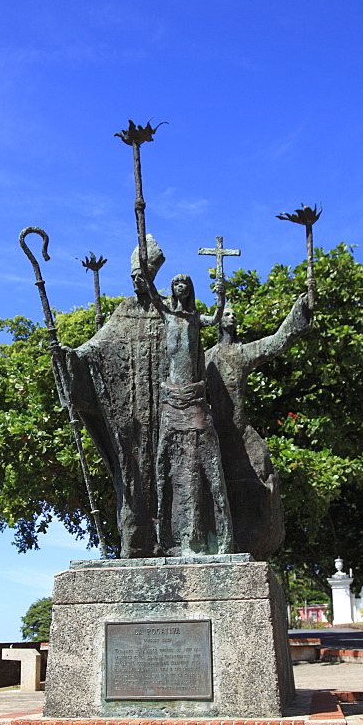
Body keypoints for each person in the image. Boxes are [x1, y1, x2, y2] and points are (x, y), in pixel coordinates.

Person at [55, 235, 168, 558]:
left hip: (166, 413)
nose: (136, 282)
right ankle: (136, 542)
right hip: (129, 420)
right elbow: (96, 348)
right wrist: (70, 357)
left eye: (141, 276)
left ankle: (172, 540)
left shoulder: (169, 312)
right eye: (132, 277)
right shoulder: (124, 311)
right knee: (131, 480)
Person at [205, 295, 312, 558]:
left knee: (265, 471)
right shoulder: (205, 358)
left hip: (241, 430)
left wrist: (299, 310)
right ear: (218, 320)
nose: (232, 318)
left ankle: (262, 535)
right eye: (227, 314)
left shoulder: (243, 351)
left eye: (234, 315)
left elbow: (276, 342)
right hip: (214, 432)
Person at [154, 274, 234, 556]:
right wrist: (144, 266)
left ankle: (211, 536)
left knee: (206, 463)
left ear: (190, 290)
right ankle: (172, 539)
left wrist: (220, 297)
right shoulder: (167, 314)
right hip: (171, 398)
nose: (180, 289)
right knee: (168, 464)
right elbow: (153, 295)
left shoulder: (194, 318)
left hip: (195, 397)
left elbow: (215, 319)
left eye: (185, 285)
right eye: (176, 285)